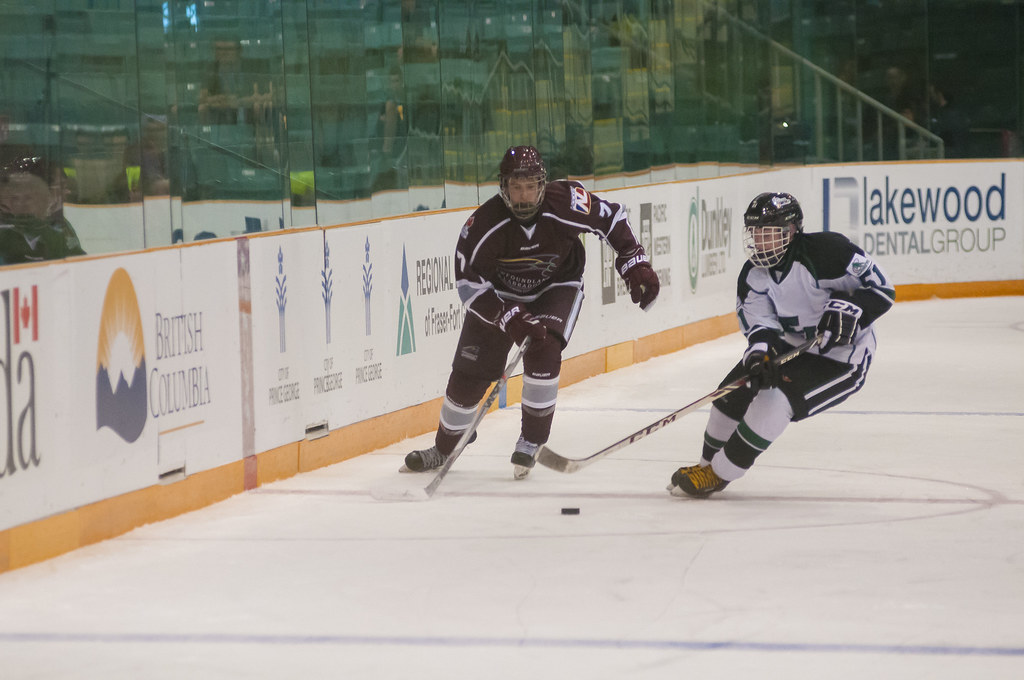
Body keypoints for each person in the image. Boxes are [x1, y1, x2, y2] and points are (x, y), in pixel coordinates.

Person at [404, 145, 660, 479]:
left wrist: (634, 261)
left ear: (542, 184)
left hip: (557, 287)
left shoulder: (566, 202)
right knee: (468, 379)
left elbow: (611, 217)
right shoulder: (482, 225)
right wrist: (507, 315)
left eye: (530, 186)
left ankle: (531, 440)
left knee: (544, 349)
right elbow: (468, 285)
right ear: (503, 187)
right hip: (500, 299)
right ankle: (444, 447)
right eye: (516, 186)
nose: (523, 196)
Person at [668, 191, 894, 498]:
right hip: (791, 346)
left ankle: (719, 474)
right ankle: (705, 466)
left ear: (791, 231)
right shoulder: (753, 276)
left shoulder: (829, 252)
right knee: (731, 391)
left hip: (841, 357)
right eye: (755, 233)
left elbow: (882, 289)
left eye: (769, 233)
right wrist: (759, 357)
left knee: (774, 401)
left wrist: (853, 309)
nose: (760, 241)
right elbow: (761, 327)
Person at [0, 156, 86, 265]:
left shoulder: (58, 227)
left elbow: (79, 261)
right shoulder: (6, 234)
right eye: (61, 186)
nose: (67, 192)